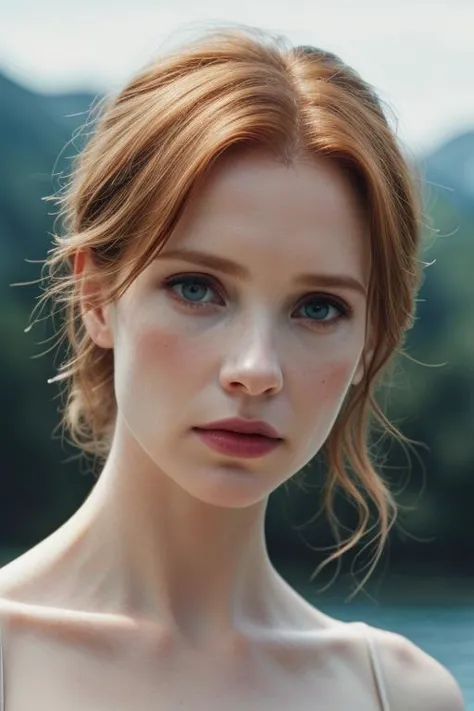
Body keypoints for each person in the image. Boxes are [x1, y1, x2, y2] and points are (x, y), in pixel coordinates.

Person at [0, 23, 465, 710]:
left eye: (318, 307)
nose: (256, 368)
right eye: (196, 288)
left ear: (372, 339)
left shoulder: (398, 693)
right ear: (97, 295)